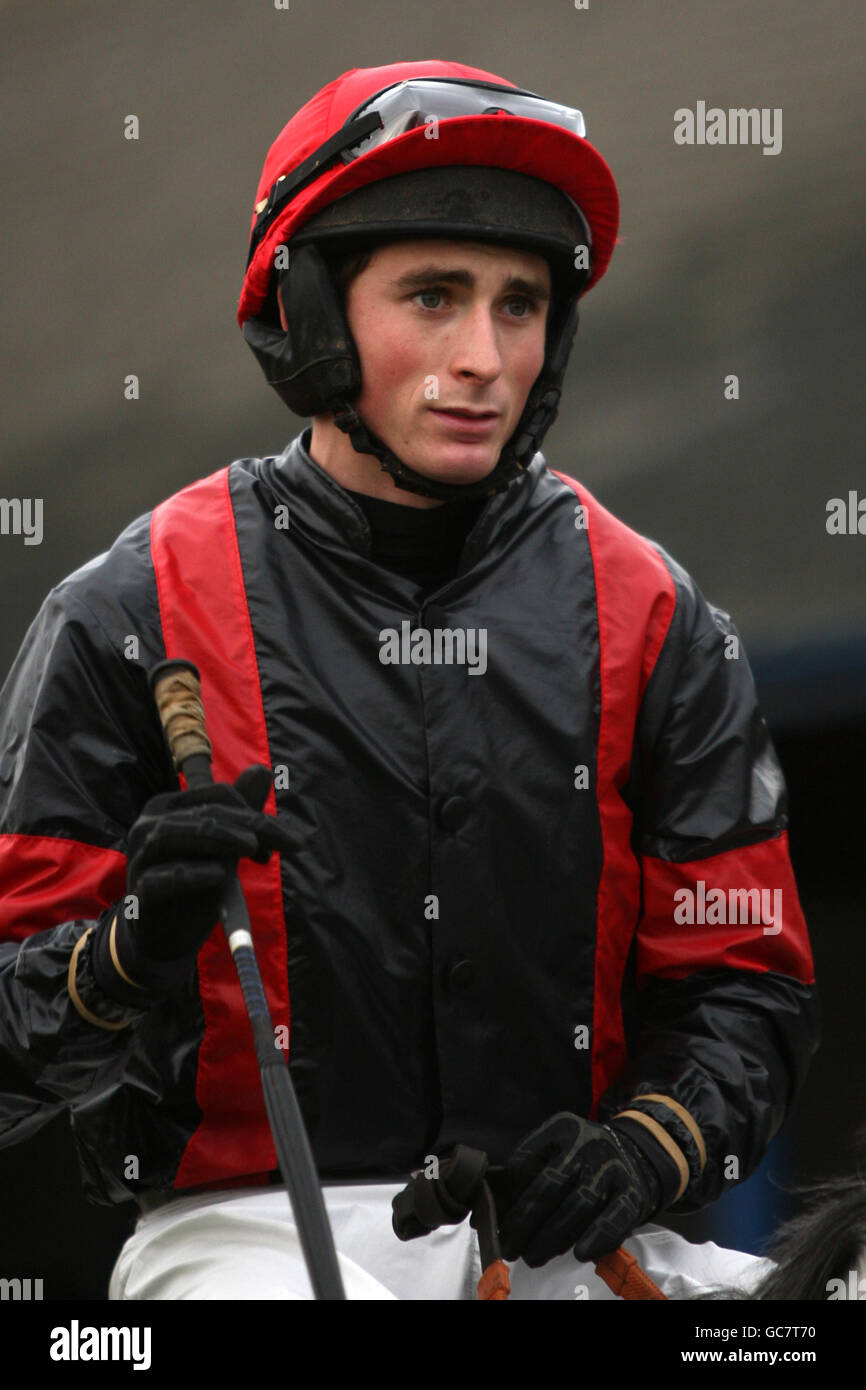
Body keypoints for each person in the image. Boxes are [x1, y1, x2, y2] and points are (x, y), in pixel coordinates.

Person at [0, 59, 819, 1300]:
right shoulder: (124, 613)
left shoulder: (654, 613)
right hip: (245, 1240)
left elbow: (744, 985)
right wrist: (119, 958)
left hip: (566, 1241)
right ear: (316, 317)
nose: (483, 357)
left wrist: (649, 1148)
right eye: (432, 297)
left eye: (518, 305)